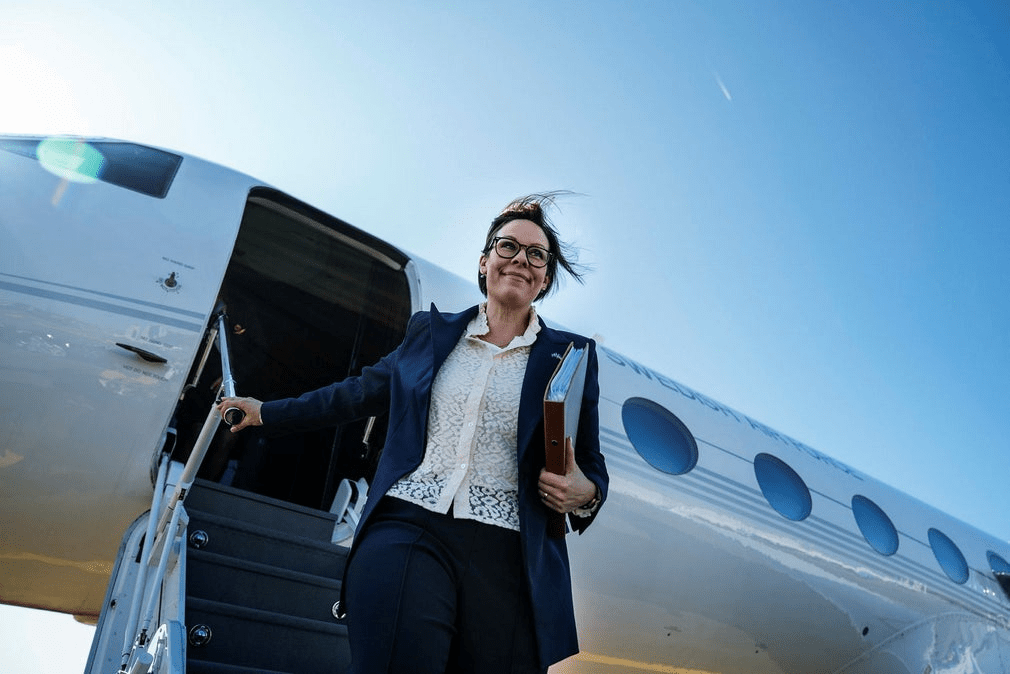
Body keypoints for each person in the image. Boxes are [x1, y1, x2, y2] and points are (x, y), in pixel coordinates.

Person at [219, 192, 608, 673]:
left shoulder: (572, 357)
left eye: (536, 254)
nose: (521, 260)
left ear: (545, 278)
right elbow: (357, 393)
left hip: (512, 554)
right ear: (484, 261)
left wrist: (585, 492)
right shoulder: (430, 333)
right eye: (507, 246)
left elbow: (590, 465)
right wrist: (267, 412)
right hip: (409, 525)